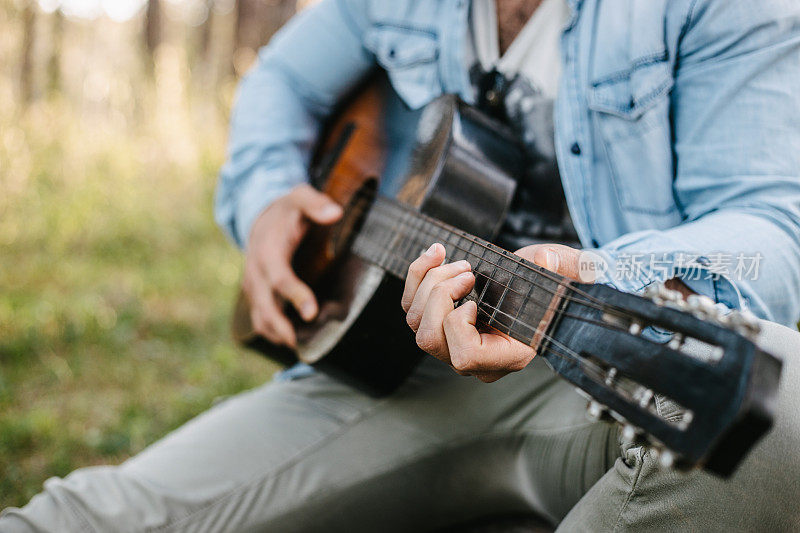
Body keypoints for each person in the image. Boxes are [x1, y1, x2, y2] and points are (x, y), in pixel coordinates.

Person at [3, 0, 800, 530]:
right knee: (82, 516)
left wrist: (594, 272)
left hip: (611, 367)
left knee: (783, 405)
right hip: (395, 364)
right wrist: (269, 194)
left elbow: (770, 227)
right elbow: (281, 78)